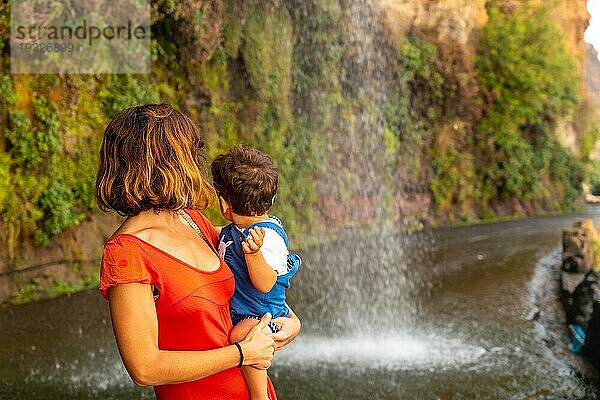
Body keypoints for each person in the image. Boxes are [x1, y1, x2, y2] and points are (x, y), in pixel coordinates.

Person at [95, 104, 300, 400]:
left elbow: (253, 283)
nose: (196, 162)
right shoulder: (127, 253)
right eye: (189, 153)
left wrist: (291, 321)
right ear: (165, 164)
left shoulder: (192, 219)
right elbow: (144, 367)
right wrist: (241, 353)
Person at [211, 146, 301, 400]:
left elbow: (265, 283)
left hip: (261, 315)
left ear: (224, 203)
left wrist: (253, 255)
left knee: (243, 335)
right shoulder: (238, 229)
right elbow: (223, 237)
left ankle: (259, 396)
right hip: (245, 309)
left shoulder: (267, 239)